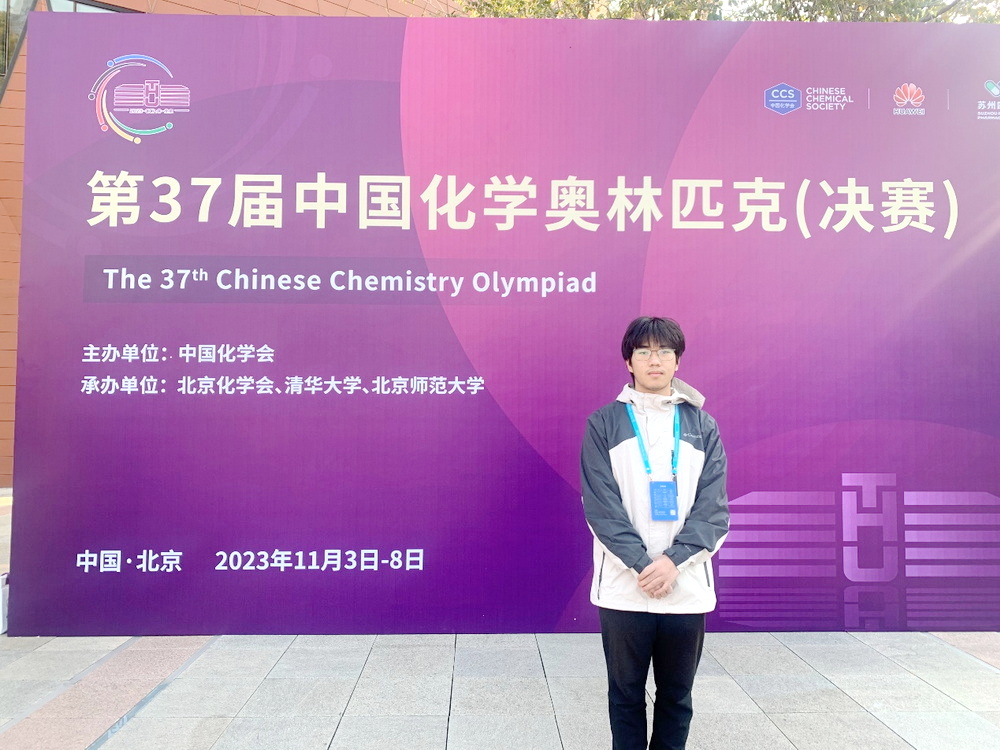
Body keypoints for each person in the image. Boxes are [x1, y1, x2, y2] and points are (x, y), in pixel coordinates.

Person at [581, 316, 729, 750]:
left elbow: (713, 511)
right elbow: (601, 508)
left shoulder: (703, 425)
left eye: (664, 351)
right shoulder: (603, 423)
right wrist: (644, 566)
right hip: (624, 589)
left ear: (677, 361)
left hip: (685, 586)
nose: (655, 360)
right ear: (629, 361)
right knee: (625, 696)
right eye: (643, 352)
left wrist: (672, 563)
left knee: (677, 698)